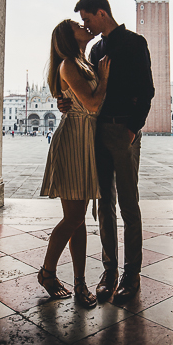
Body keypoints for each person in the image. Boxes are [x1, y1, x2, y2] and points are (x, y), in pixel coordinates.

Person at [60, 0, 154, 301]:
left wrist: (132, 129)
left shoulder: (135, 43)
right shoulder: (96, 49)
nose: (86, 25)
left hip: (123, 131)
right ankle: (109, 270)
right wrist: (65, 101)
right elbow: (87, 89)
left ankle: (132, 274)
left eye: (87, 18)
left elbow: (148, 90)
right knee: (104, 207)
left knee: (128, 204)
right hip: (98, 133)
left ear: (102, 13)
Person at [38, 19, 110, 307]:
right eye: (78, 25)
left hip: (86, 140)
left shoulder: (84, 62)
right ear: (70, 36)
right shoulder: (69, 63)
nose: (85, 26)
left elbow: (83, 100)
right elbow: (92, 104)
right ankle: (47, 273)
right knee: (73, 218)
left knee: (78, 220)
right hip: (73, 141)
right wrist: (104, 79)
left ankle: (80, 283)